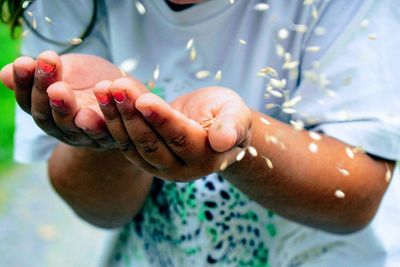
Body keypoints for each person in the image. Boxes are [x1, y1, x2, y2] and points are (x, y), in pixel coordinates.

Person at [0, 0, 399, 266]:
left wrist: (246, 143)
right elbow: (100, 211)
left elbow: (357, 196)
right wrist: (110, 135)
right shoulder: (75, 6)